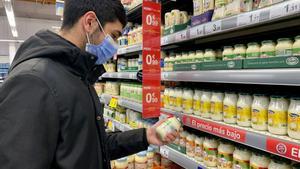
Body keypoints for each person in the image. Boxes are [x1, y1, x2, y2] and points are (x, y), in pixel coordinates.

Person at [0, 0, 178, 168]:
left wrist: (146, 136)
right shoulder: (34, 81)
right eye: (114, 36)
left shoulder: (77, 75)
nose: (115, 46)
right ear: (90, 22)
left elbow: (91, 146)